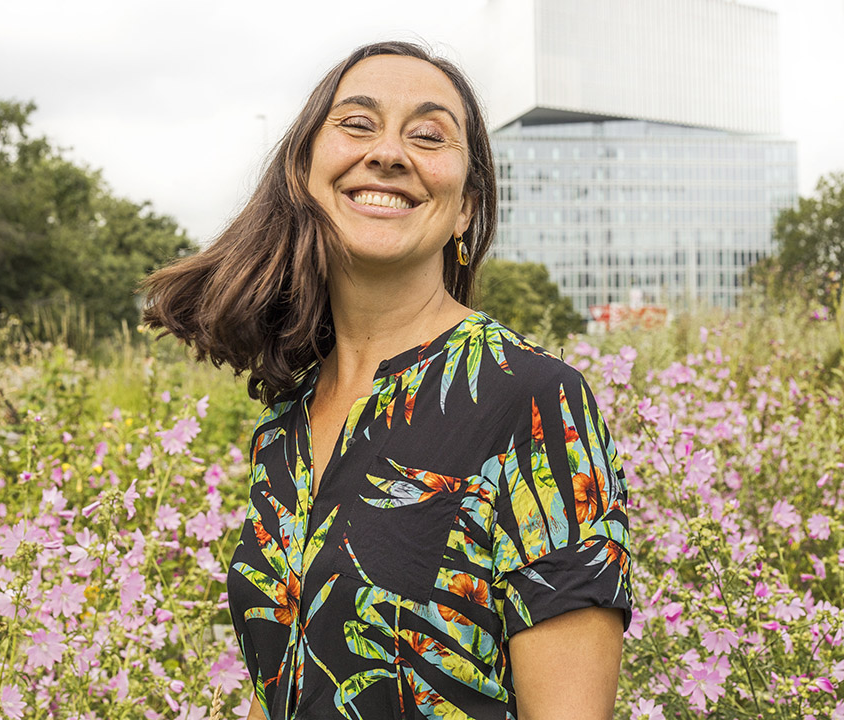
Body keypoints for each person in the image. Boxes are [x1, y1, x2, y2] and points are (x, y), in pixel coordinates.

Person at [143, 41, 632, 720]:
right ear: (304, 172)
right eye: (356, 124)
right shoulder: (285, 427)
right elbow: (287, 682)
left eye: (429, 135)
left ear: (466, 207)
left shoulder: (529, 399)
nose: (389, 153)